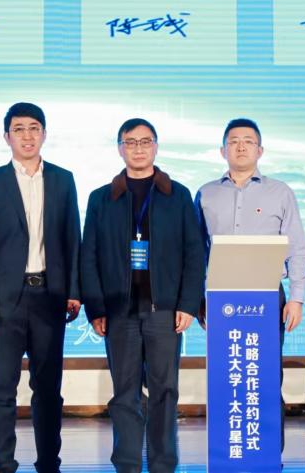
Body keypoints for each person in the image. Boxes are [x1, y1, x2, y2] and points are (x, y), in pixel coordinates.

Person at [80, 118, 205, 473]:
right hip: (119, 311)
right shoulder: (102, 197)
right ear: (120, 148)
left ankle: (164, 464)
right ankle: (127, 464)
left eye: (145, 141)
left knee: (165, 392)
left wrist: (188, 304)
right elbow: (89, 255)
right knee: (124, 394)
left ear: (156, 147)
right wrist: (96, 308)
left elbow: (194, 252)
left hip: (164, 311)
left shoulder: (176, 194)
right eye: (130, 142)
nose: (138, 148)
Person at [0, 102, 81, 473]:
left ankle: (49, 463)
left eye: (34, 128)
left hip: (50, 296)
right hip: (5, 301)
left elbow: (72, 238)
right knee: (2, 389)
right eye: (19, 129)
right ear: (7, 137)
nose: (27, 135)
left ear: (44, 134)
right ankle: (3, 463)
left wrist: (74, 290)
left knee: (48, 389)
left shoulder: (63, 179)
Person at [194, 118, 305, 451]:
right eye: (233, 141)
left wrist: (297, 298)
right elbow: (196, 250)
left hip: (267, 294)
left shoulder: (280, 192)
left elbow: (297, 247)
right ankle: (229, 453)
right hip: (221, 297)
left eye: (248, 141)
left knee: (266, 376)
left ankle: (269, 454)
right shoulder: (205, 193)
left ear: (260, 150)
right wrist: (198, 298)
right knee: (228, 376)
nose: (241, 146)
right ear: (222, 151)